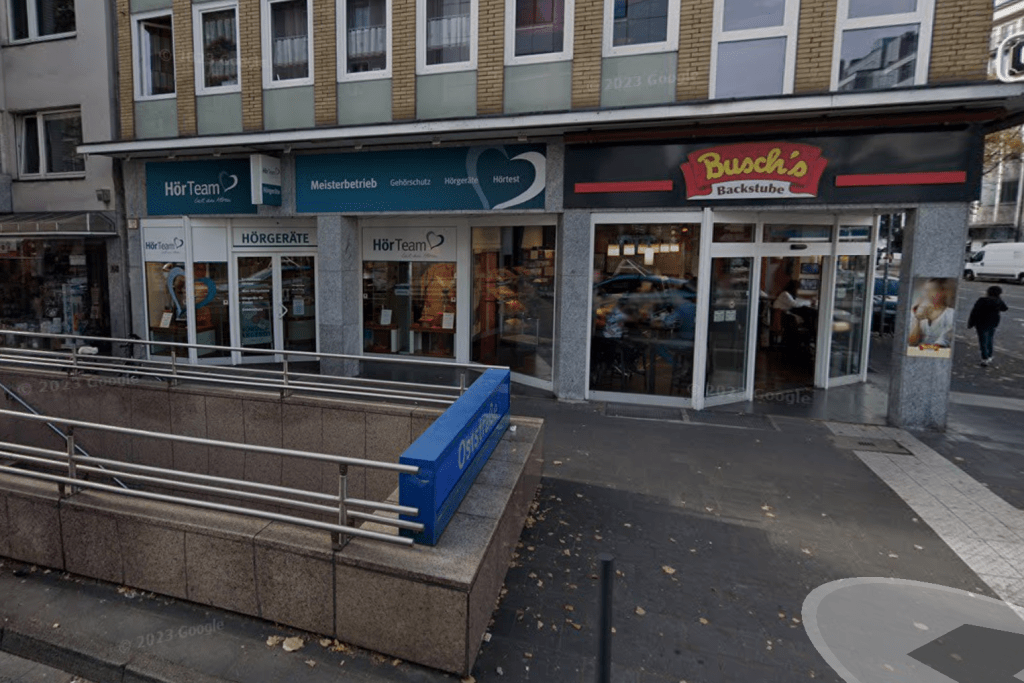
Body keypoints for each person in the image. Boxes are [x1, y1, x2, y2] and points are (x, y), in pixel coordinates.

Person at [967, 285, 1009, 366]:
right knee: (990, 339)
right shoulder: (998, 301)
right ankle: (989, 355)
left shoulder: (982, 300)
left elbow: (974, 312)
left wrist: (970, 323)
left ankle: (984, 358)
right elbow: (1005, 308)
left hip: (981, 323)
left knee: (983, 340)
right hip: (993, 323)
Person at [907, 278, 955, 347]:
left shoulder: (950, 314)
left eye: (933, 291)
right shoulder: (918, 312)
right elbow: (912, 342)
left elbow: (943, 342)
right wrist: (917, 320)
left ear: (943, 293)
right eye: (926, 291)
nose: (928, 294)